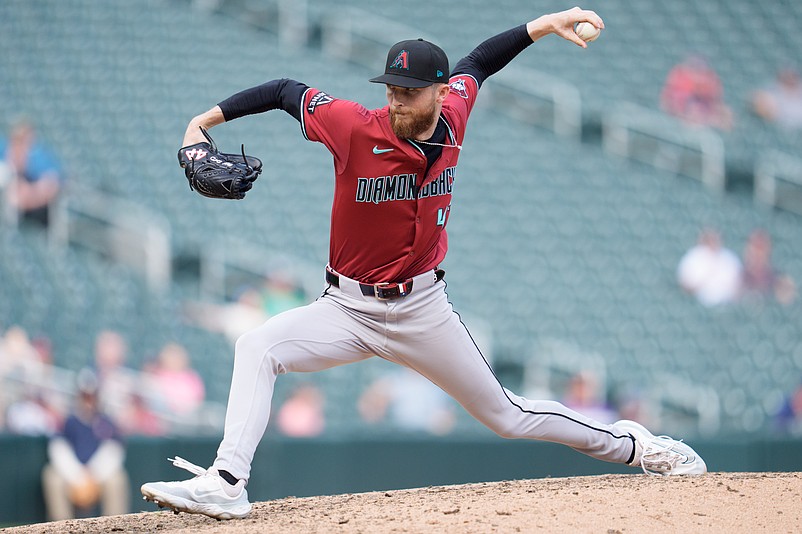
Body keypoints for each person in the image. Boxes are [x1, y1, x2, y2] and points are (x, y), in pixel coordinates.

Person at [141, 8, 707, 520]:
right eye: (392, 89)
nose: (397, 100)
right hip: (346, 307)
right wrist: (204, 121)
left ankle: (637, 446)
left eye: (410, 91)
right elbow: (287, 90)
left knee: (509, 417)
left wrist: (545, 23)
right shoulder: (353, 125)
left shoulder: (455, 110)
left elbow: (480, 61)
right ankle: (227, 482)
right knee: (256, 346)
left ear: (438, 92)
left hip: (422, 307)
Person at [42, 370, 129, 521]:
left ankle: (115, 525)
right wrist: (78, 476)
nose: (88, 402)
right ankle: (61, 527)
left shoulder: (105, 421)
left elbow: (114, 451)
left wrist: (93, 474)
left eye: (92, 397)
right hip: (72, 473)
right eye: (85, 397)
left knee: (117, 479)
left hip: (99, 475)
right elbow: (58, 449)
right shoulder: (69, 421)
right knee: (51, 476)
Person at [0, 118, 66, 227]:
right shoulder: (3, 148)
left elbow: (51, 185)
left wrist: (27, 196)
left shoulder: (38, 157)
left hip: (29, 214)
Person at [660, 55, 734, 130]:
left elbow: (715, 103)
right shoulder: (679, 74)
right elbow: (667, 102)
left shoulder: (710, 79)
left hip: (702, 118)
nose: (697, 72)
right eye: (694, 67)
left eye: (700, 68)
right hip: (680, 115)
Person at [677, 228, 742, 307]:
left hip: (726, 304)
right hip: (699, 303)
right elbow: (685, 284)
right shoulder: (693, 257)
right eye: (710, 239)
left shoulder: (728, 257)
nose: (713, 242)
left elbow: (739, 284)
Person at [740, 228, 796, 306]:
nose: (757, 253)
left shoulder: (778, 279)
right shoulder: (738, 275)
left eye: (761, 248)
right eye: (754, 247)